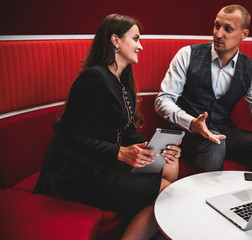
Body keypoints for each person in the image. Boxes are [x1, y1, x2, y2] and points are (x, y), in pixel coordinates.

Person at [33, 14, 181, 240]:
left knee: (171, 165)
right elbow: (68, 138)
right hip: (80, 172)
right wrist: (120, 152)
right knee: (167, 192)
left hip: (105, 162)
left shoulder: (121, 79)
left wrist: (153, 147)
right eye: (135, 38)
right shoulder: (94, 78)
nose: (140, 46)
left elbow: (125, 128)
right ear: (115, 40)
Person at [155, 4, 252, 177]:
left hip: (223, 131)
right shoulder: (187, 54)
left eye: (228, 29)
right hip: (187, 133)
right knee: (214, 143)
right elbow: (163, 101)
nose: (218, 34)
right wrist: (191, 122)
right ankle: (204, 202)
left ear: (244, 34)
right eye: (217, 26)